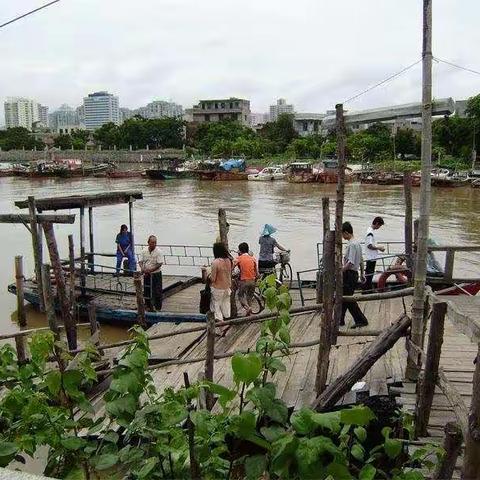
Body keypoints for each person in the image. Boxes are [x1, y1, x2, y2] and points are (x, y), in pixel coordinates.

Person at [341, 222, 369, 328]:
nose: (342, 237)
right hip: (354, 273)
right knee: (343, 297)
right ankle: (340, 319)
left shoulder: (352, 244)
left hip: (349, 274)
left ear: (346, 232)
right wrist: (362, 273)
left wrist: (341, 270)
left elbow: (351, 262)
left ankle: (361, 319)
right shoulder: (357, 243)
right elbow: (361, 260)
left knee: (348, 299)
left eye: (342, 234)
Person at [209, 242, 233, 333]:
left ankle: (222, 326)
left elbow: (213, 278)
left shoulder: (215, 262)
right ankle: (226, 321)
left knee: (215, 307)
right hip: (227, 287)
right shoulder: (228, 260)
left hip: (218, 288)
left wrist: (208, 275)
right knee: (225, 305)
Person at [139, 235, 163, 311]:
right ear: (148, 242)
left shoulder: (159, 251)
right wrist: (142, 269)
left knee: (157, 291)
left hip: (156, 273)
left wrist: (150, 270)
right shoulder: (144, 251)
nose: (154, 244)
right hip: (146, 274)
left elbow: (159, 264)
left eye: (155, 242)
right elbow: (140, 261)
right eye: (152, 242)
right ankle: (148, 306)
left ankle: (158, 308)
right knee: (147, 290)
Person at [235, 242, 258, 316]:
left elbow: (231, 269)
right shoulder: (253, 258)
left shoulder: (239, 258)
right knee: (249, 297)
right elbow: (256, 273)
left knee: (240, 296)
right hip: (252, 281)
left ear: (240, 251)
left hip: (244, 281)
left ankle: (248, 308)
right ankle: (249, 313)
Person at [364, 216, 385, 293]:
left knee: (369, 273)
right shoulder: (370, 233)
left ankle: (367, 289)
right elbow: (369, 245)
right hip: (371, 257)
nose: (379, 227)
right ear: (376, 223)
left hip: (371, 256)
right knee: (369, 274)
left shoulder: (369, 231)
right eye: (379, 225)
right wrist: (379, 248)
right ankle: (367, 290)